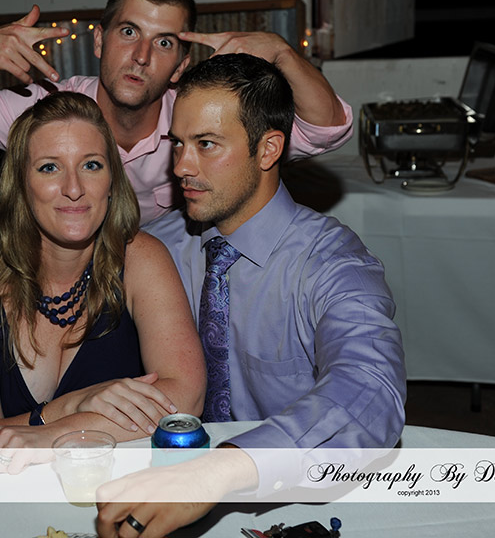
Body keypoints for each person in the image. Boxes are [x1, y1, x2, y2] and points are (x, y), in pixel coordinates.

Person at [94, 53, 406, 538]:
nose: (182, 166)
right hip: (166, 481)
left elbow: (370, 390)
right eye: (178, 144)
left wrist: (220, 470)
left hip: (292, 503)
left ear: (268, 149)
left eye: (206, 144)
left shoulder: (330, 262)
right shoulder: (158, 247)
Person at [0, 92, 206, 472]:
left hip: (69, 473)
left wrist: (54, 436)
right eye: (49, 168)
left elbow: (185, 398)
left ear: (112, 181)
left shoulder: (140, 258)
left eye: (92, 165)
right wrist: (69, 406)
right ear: (20, 186)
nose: (74, 188)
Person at [0, 0, 352, 227]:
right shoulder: (49, 110)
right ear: (100, 41)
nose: (141, 56)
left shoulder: (196, 118)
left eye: (163, 42)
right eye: (129, 32)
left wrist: (283, 54)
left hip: (175, 278)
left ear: (181, 65)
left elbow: (325, 129)